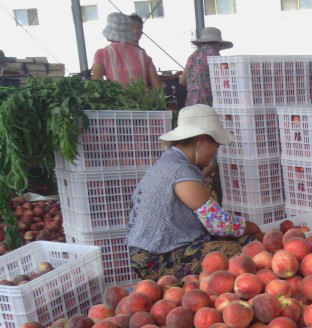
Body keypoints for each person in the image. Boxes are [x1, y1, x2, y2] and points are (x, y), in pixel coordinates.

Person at [127, 105, 262, 281]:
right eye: (216, 146)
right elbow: (219, 225)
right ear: (201, 140)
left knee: (244, 245)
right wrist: (252, 227)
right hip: (157, 258)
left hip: (152, 250)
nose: (215, 153)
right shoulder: (180, 172)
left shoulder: (167, 163)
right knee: (238, 254)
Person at [92, 13, 160, 88]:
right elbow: (158, 88)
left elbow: (96, 85)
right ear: (129, 32)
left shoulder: (101, 54)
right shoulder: (142, 54)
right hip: (143, 98)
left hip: (117, 99)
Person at [179, 27, 233, 107]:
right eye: (220, 46)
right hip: (206, 99)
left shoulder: (192, 56)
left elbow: (181, 81)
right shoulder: (214, 54)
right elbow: (224, 77)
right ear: (217, 43)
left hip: (191, 99)